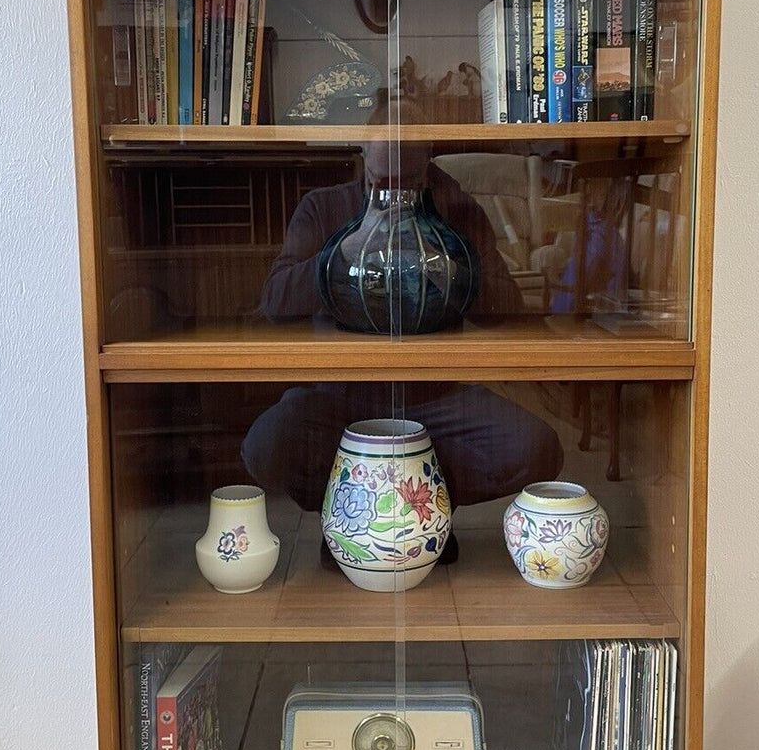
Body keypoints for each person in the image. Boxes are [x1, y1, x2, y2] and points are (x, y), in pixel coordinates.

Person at [241, 106, 564, 562]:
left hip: (437, 397)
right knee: (267, 443)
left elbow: (507, 312)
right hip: (340, 394)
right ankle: (350, 514)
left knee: (535, 448)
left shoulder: (455, 207)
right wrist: (342, 253)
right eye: (381, 182)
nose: (394, 194)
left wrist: (451, 256)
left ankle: (425, 514)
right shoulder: (324, 207)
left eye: (408, 181)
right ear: (362, 152)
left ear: (429, 162)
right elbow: (274, 303)